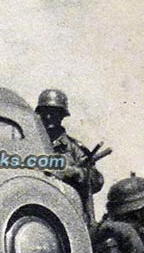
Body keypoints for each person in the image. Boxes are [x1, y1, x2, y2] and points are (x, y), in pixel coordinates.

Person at [35, 89, 104, 223]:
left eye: (53, 112)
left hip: (71, 214)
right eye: (45, 112)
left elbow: (97, 181)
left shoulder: (74, 148)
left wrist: (77, 173)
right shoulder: (32, 146)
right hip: (40, 212)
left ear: (61, 116)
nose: (48, 117)